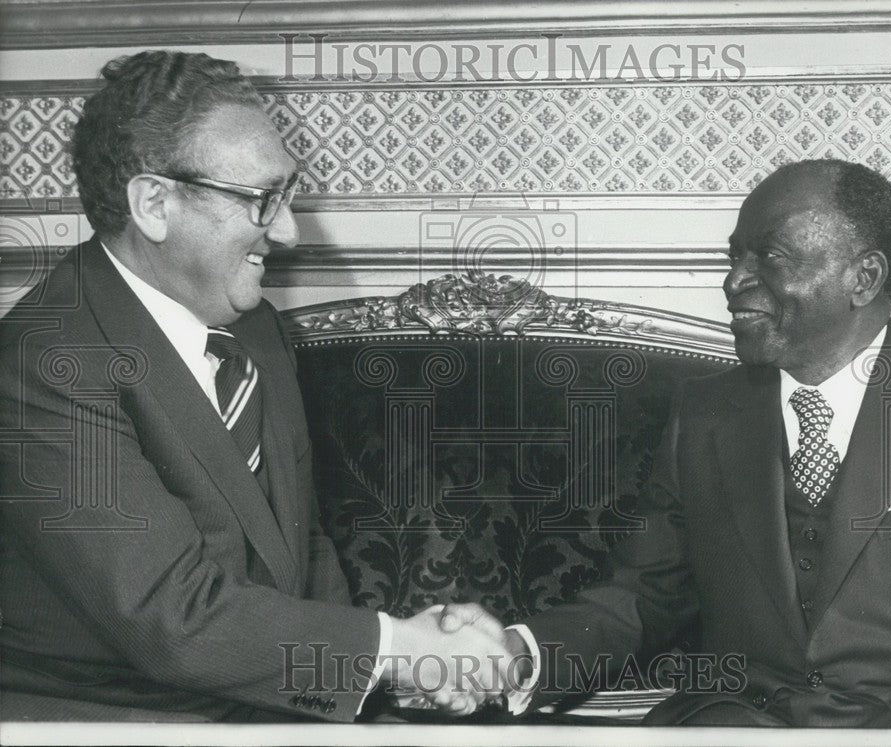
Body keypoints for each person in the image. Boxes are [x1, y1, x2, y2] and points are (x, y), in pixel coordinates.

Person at [0, 50, 511, 721]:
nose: (291, 230)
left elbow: (302, 547)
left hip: (249, 705)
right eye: (262, 199)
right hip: (107, 720)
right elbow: (171, 618)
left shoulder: (257, 329)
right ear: (154, 203)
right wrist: (393, 648)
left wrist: (375, 672)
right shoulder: (45, 361)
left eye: (289, 195)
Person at [441, 159, 891, 728]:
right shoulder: (704, 412)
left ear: (864, 278)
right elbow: (644, 596)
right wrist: (516, 654)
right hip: (730, 724)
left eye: (771, 258)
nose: (734, 282)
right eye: (736, 257)